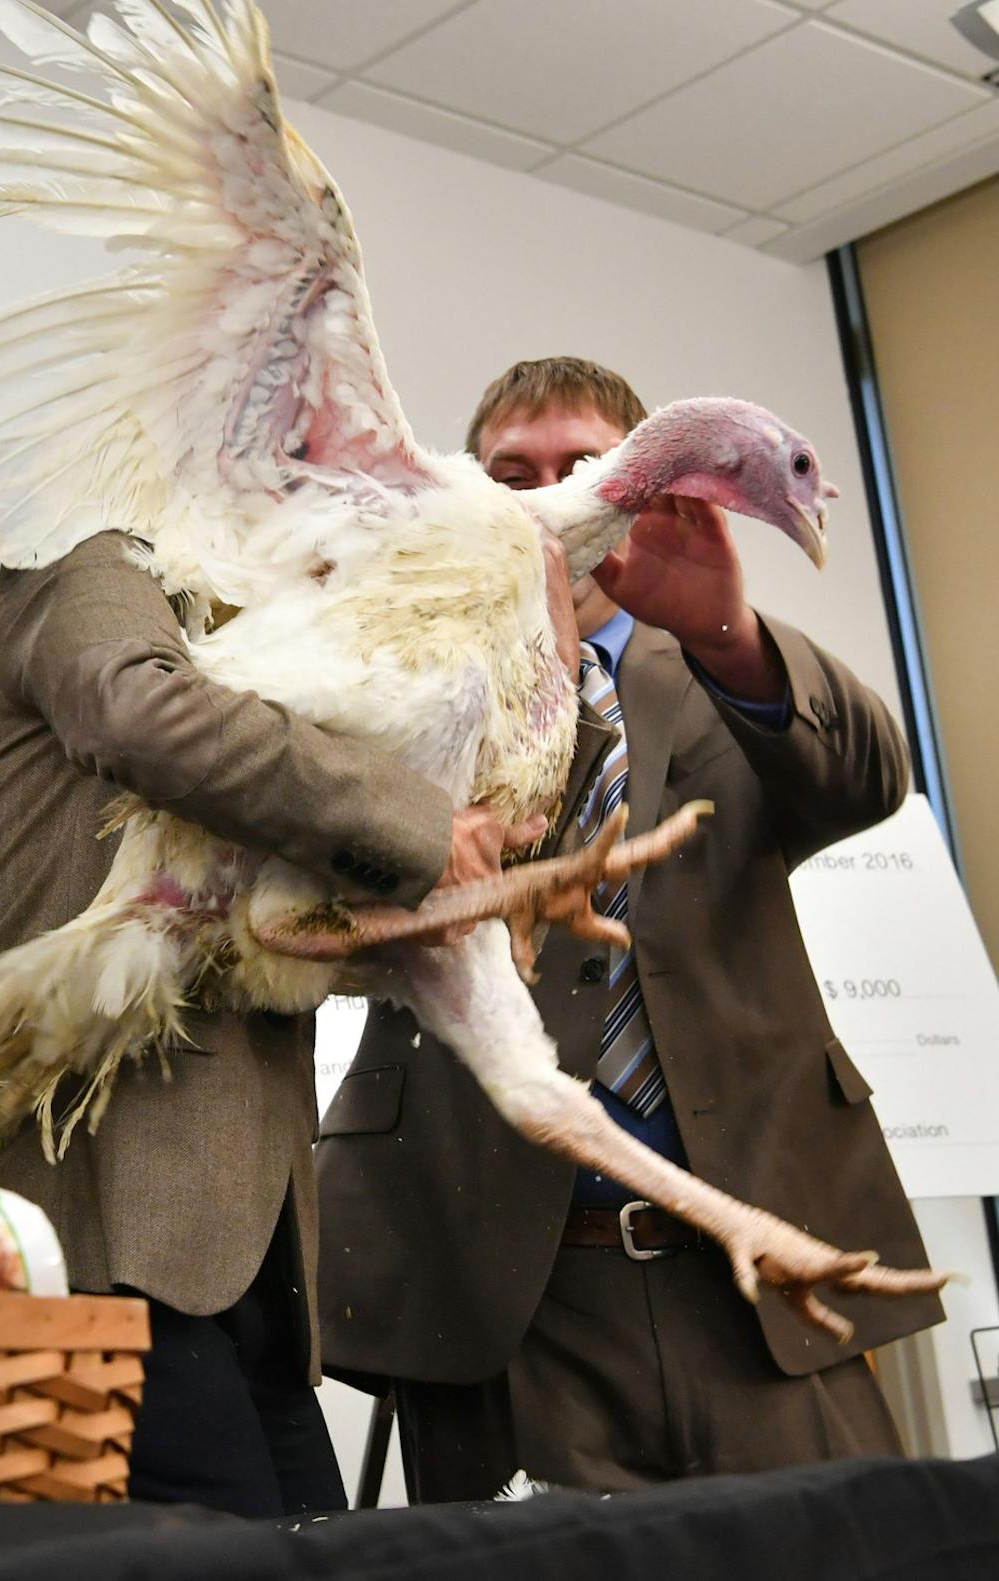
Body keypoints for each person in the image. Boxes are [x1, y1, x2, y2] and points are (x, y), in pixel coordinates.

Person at [315, 356, 944, 1501]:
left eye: (584, 466)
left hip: (759, 1281)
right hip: (500, 1290)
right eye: (515, 474)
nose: (552, 495)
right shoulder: (400, 685)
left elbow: (869, 777)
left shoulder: (727, 667)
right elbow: (327, 918)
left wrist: (729, 632)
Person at [0, 529, 554, 1517]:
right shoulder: (82, 537)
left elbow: (248, 940)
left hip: (243, 1258)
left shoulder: (245, 593)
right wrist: (424, 831)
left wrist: (445, 917)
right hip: (104, 1234)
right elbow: (135, 709)